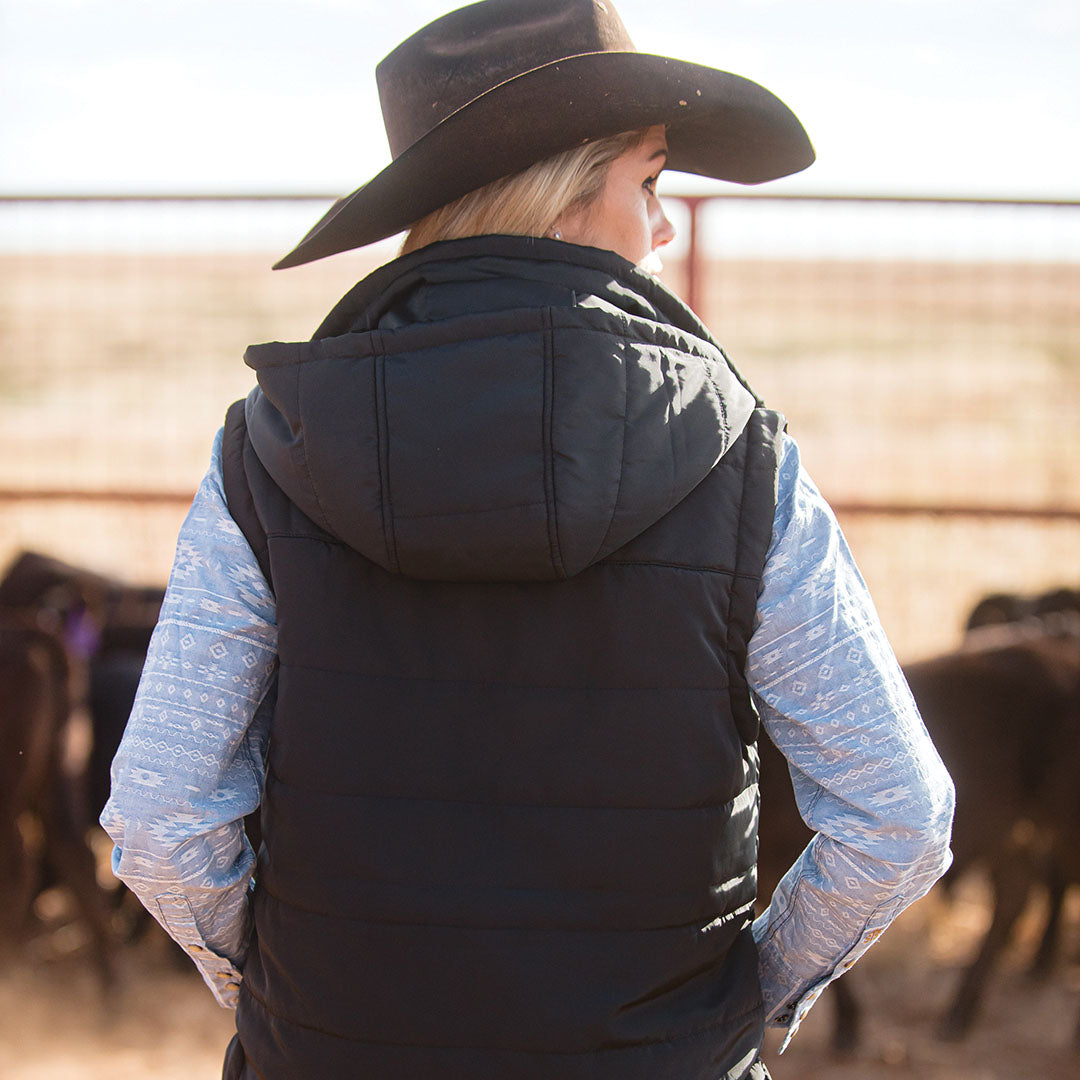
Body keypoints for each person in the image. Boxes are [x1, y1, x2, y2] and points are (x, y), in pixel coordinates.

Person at [101, 3, 955, 1078]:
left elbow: (162, 817)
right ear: (560, 194)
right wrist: (734, 1010)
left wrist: (284, 1002)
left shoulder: (268, 449)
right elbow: (898, 819)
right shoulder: (746, 461)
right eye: (648, 182)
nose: (663, 228)